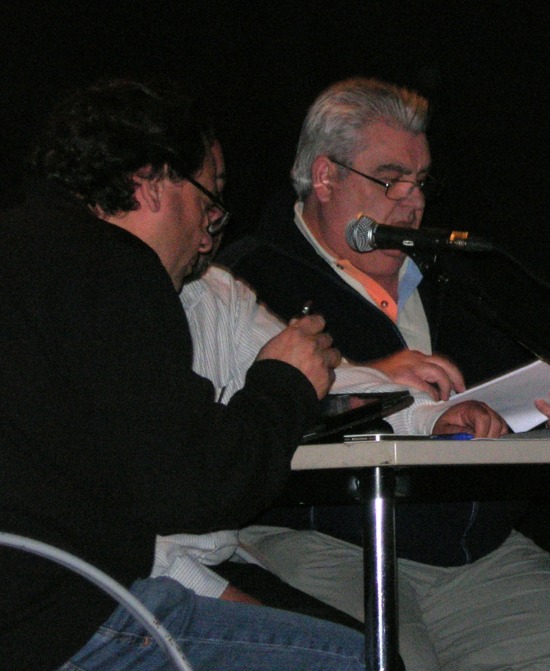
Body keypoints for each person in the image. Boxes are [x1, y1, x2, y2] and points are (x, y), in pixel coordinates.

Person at [219, 77, 550, 671]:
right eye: (390, 179)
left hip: (469, 550)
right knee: (390, 658)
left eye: (420, 181)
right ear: (326, 179)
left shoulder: (454, 281)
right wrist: (374, 375)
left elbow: (492, 409)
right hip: (325, 541)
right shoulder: (249, 277)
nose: (413, 201)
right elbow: (232, 415)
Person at [0, 78, 369, 671]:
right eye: (207, 201)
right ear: (151, 182)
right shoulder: (111, 269)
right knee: (359, 661)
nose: (205, 237)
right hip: (56, 622)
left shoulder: (24, 249)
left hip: (37, 605)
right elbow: (194, 488)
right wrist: (285, 382)